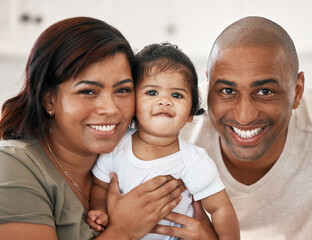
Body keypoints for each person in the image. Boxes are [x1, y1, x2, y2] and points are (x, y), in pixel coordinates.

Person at [0, 16, 215, 240]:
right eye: (88, 91)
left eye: (122, 90)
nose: (110, 109)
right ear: (49, 100)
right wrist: (122, 232)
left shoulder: (133, 158)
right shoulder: (12, 166)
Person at [180, 16, 312, 239]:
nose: (244, 117)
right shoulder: (171, 129)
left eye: (265, 91)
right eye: (227, 91)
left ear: (297, 90)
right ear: (208, 87)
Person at [86, 43, 240, 240]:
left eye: (176, 95)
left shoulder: (194, 161)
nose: (164, 101)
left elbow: (221, 209)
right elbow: (100, 186)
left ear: (191, 113)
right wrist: (98, 210)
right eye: (152, 93)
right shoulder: (116, 146)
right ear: (132, 104)